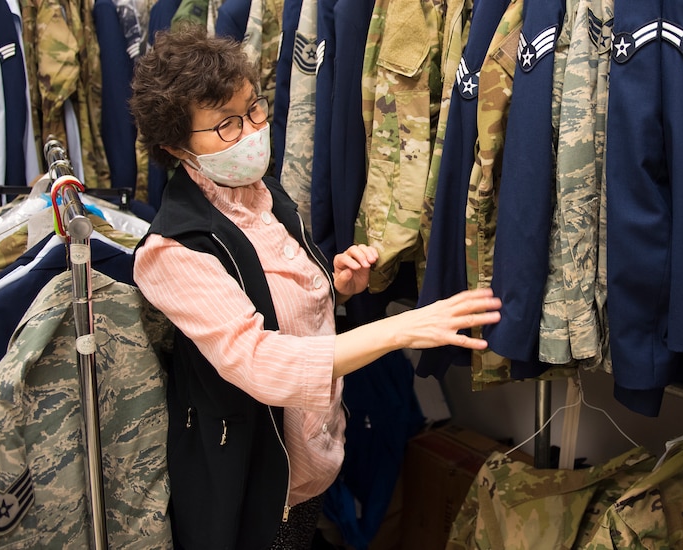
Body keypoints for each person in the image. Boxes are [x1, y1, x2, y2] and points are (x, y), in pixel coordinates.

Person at [129, 24, 502, 550]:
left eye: (254, 109)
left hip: (310, 463)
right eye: (227, 125)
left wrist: (337, 286)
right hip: (252, 481)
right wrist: (400, 329)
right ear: (175, 146)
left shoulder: (263, 193)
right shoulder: (172, 251)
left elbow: (283, 299)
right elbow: (260, 360)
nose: (252, 131)